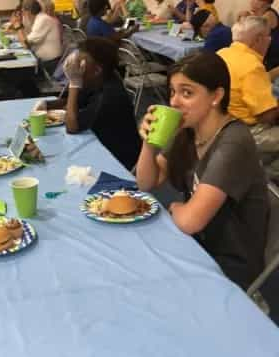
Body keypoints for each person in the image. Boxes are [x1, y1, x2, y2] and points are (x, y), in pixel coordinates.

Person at [136, 51, 269, 290]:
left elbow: (189, 221)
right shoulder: (189, 130)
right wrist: (149, 143)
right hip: (197, 244)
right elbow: (147, 182)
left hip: (228, 262)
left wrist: (175, 207)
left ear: (216, 96)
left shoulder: (234, 142)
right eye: (173, 92)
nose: (174, 101)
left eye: (187, 93)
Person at [37, 37, 141, 170]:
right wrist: (45, 104)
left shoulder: (110, 95)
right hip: (99, 144)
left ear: (97, 70)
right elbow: (71, 103)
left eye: (80, 65)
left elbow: (72, 126)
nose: (76, 68)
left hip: (118, 160)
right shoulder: (97, 80)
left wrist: (74, 83)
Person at [217, 16, 279, 180]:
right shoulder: (251, 66)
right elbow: (267, 115)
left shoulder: (222, 54)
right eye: (269, 37)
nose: (270, 41)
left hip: (218, 124)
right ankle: (261, 178)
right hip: (244, 132)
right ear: (258, 39)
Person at [13, 0, 62, 74]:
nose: (23, 15)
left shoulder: (43, 20)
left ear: (28, 12)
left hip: (49, 64)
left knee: (17, 72)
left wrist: (18, 26)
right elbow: (27, 38)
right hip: (43, 61)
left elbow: (26, 44)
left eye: (23, 12)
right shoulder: (39, 18)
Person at [238, 0, 279, 70]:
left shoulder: (269, 16)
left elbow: (249, 40)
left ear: (266, 3)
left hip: (272, 62)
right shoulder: (257, 14)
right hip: (262, 58)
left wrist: (243, 20)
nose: (251, 2)